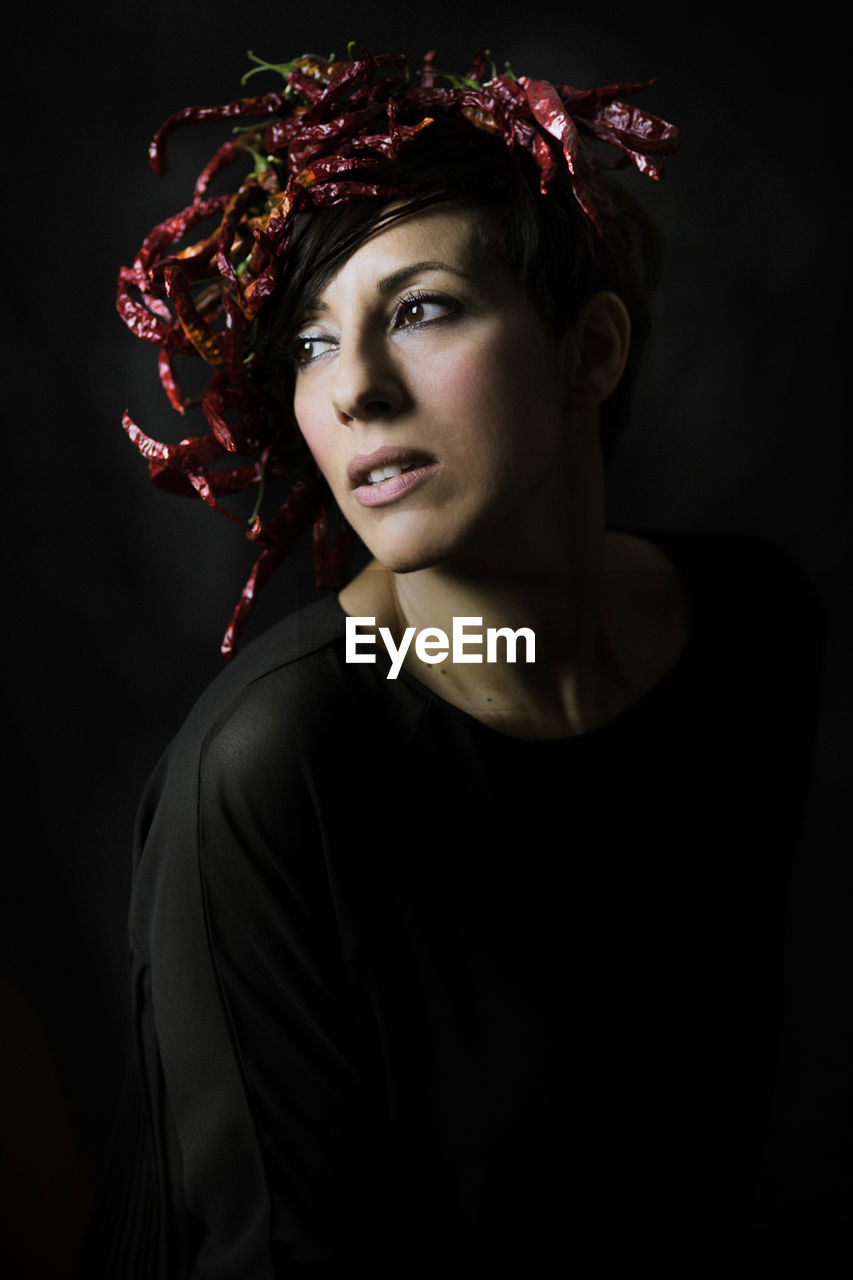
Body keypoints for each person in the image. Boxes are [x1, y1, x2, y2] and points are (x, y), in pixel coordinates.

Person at [86, 47, 822, 1276]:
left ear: (589, 351)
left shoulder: (756, 628)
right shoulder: (277, 767)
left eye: (420, 309)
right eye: (313, 344)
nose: (357, 391)